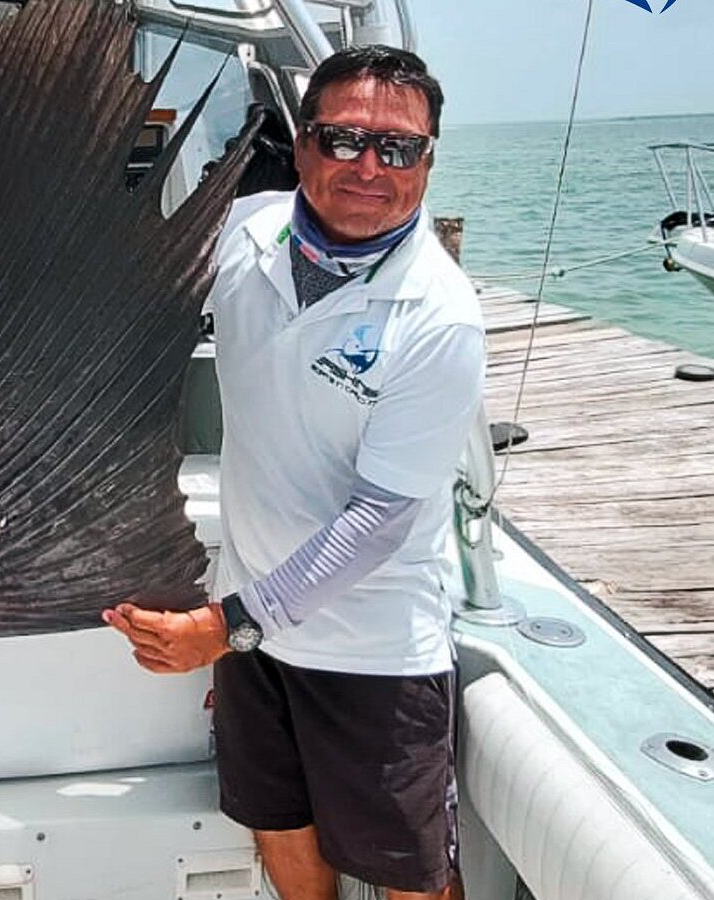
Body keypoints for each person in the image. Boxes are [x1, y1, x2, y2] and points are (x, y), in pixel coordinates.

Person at [103, 45, 484, 900]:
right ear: (302, 143)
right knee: (278, 826)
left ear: (427, 162)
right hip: (249, 623)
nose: (369, 167)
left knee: (412, 877)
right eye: (343, 139)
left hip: (373, 646)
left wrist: (230, 625)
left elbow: (379, 520)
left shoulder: (441, 317)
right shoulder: (247, 231)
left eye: (398, 148)